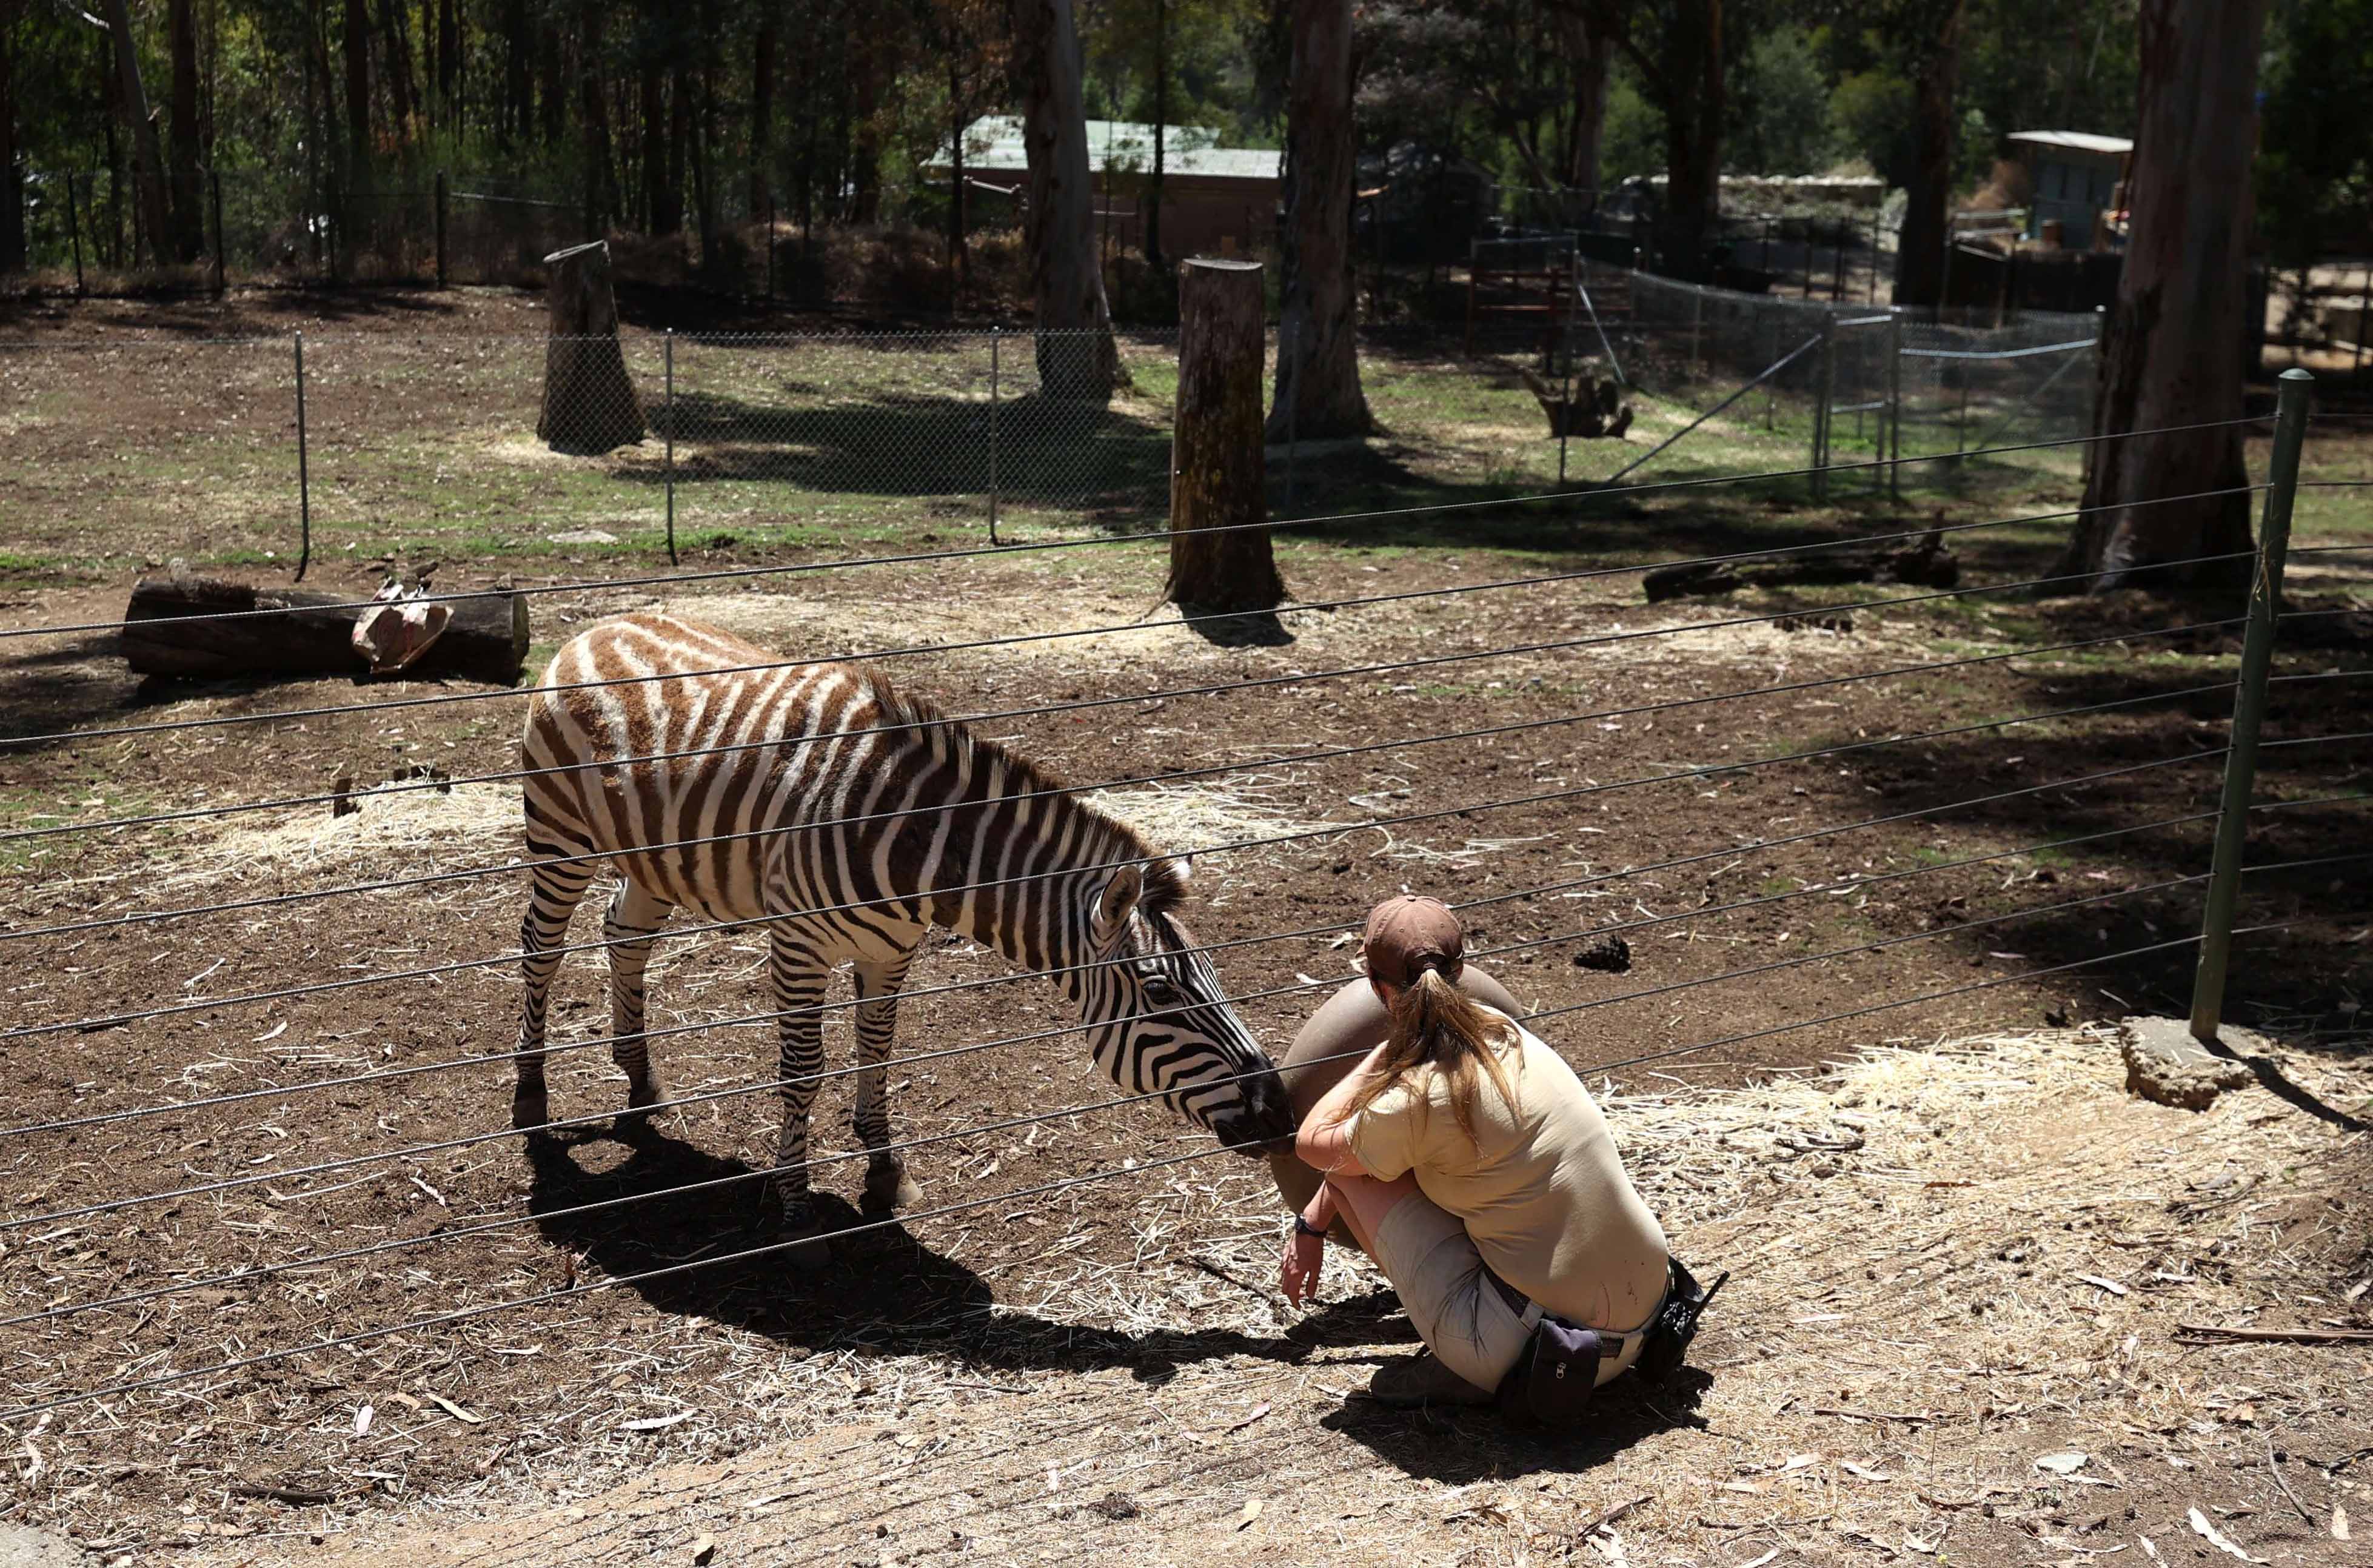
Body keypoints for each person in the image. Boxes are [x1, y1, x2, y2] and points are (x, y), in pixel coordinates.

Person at [1276, 896, 1710, 1412]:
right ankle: (1481, 1336)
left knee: (1361, 1171)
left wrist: (1387, 1048)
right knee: (1414, 1163)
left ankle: (1467, 1363)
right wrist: (1313, 1221)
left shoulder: (1416, 1097)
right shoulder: (1509, 1034)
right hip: (1652, 1316)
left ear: (1376, 988)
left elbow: (1315, 1146)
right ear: (1460, 970)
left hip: (1557, 1360)